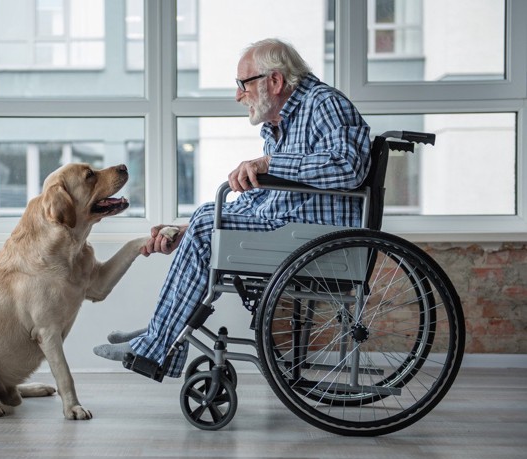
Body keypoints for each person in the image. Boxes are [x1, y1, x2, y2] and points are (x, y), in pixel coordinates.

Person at [93, 38, 371, 378]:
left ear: (275, 81)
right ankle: (159, 333)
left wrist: (272, 163)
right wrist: (187, 229)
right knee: (208, 214)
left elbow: (349, 167)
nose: (238, 95)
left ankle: (157, 341)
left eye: (243, 84)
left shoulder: (324, 104)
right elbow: (266, 197)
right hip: (292, 230)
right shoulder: (280, 124)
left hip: (320, 240)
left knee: (209, 219)